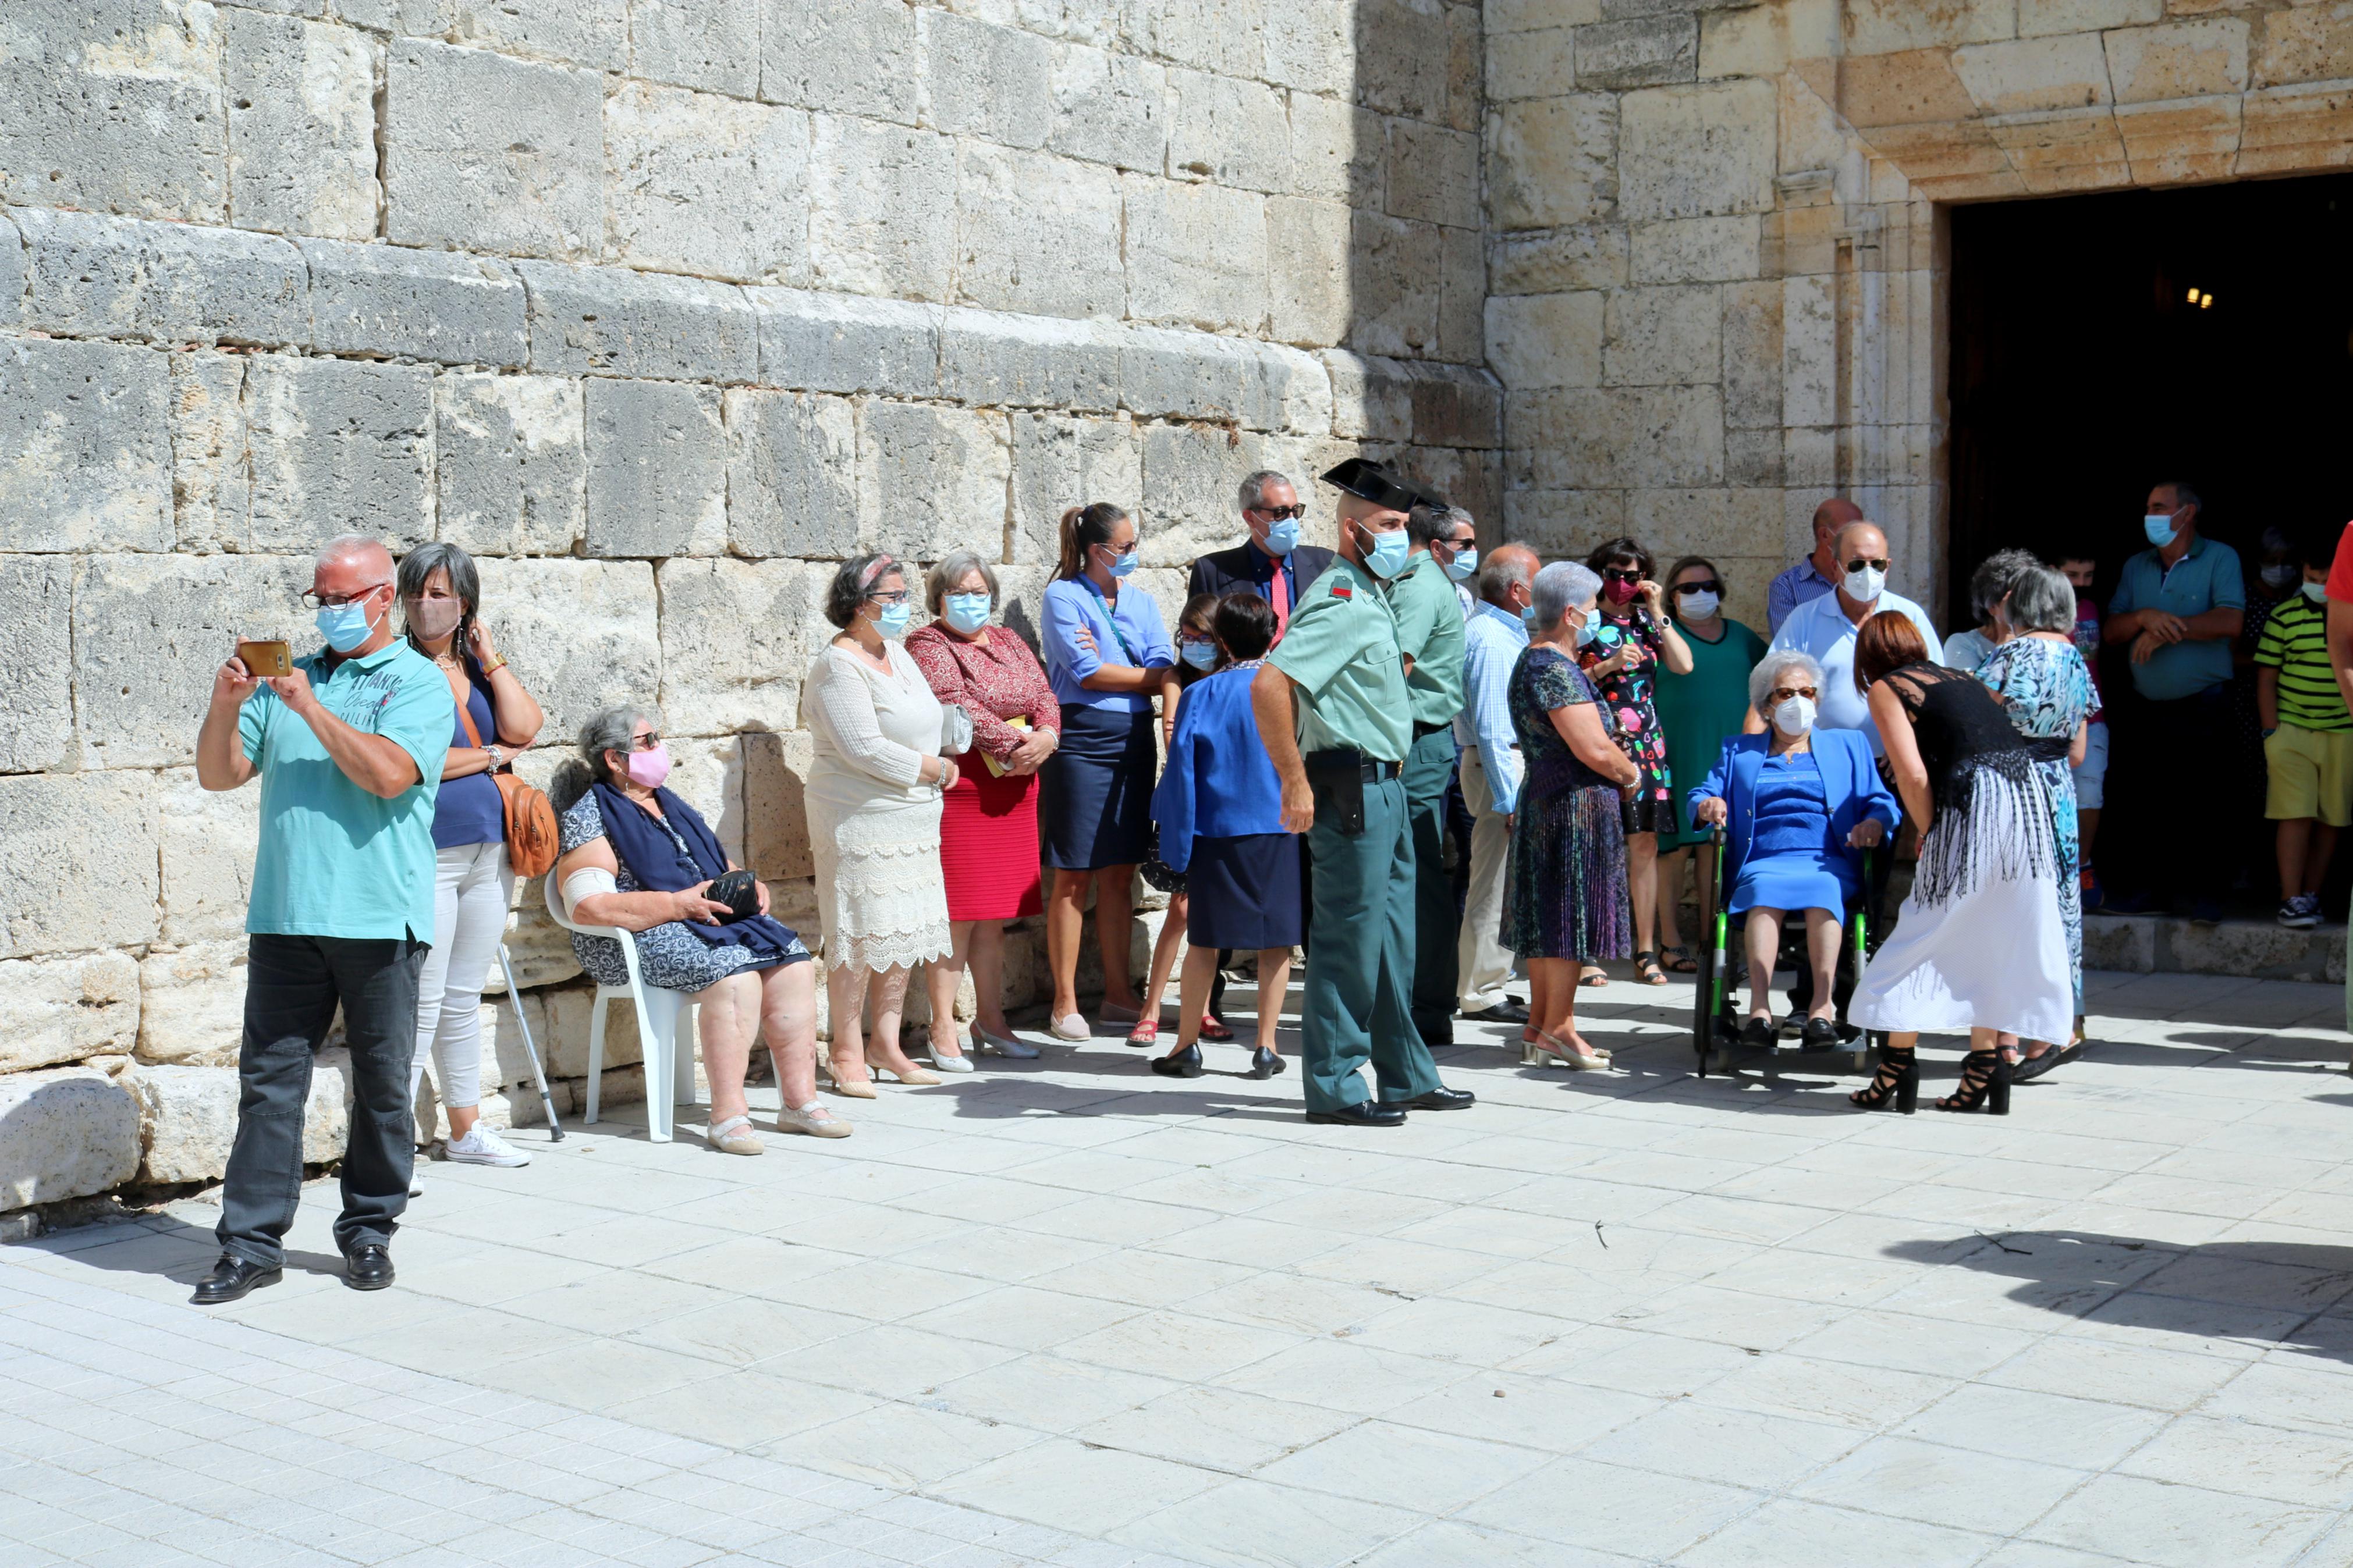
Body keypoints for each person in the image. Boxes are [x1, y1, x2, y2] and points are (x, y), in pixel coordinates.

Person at [190, 535, 457, 1304]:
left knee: (379, 1086)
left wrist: (308, 709)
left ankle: (369, 1228)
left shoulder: (418, 683)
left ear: (386, 597)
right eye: (321, 598)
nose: (331, 611)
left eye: (344, 597)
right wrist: (226, 704)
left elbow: (388, 774)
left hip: (378, 916)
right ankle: (250, 1242)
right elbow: (218, 774)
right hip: (286, 912)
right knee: (269, 1085)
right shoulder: (289, 677)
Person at [1252, 457, 1472, 1126]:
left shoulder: (1376, 593)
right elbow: (1270, 685)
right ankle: (1336, 1083)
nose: (1399, 539)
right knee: (1349, 941)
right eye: (1386, 525)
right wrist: (1293, 780)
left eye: (1405, 526)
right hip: (1349, 783)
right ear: (1351, 531)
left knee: (1391, 941)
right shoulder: (1342, 598)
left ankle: (1404, 1073)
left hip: (1390, 784)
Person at [554, 706, 841, 1150]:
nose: (659, 748)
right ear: (614, 759)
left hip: (702, 919)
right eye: (648, 741)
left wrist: (747, 883)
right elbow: (589, 907)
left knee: (796, 964)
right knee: (736, 974)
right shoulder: (591, 815)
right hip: (637, 935)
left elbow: (707, 863)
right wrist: (676, 904)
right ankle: (727, 1115)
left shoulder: (669, 801)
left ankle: (799, 1103)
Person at [1848, 612, 2072, 1115]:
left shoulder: (1889, 687)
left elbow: (1910, 774)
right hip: (2025, 796)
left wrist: (1928, 832)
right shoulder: (1962, 678)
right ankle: (1986, 1065)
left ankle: (1897, 1064)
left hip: (1976, 798)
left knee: (1919, 931)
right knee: (1997, 930)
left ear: (1868, 657)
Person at [396, 542, 545, 1174]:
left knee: (462, 996)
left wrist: (492, 656)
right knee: (421, 1000)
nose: (427, 605)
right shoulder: (393, 668)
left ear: (466, 603)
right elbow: (411, 766)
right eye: (417, 593)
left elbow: (526, 725)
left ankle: (466, 1128)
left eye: (441, 594)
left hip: (492, 849)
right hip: (429, 851)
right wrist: (490, 758)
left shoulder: (476, 667)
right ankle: (389, 1145)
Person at [801, 553, 956, 1094]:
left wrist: (935, 763)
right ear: (856, 605)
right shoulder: (836, 665)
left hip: (913, 813)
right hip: (860, 812)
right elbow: (862, 748)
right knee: (858, 930)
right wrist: (933, 769)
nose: (900, 606)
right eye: (889, 598)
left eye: (901, 595)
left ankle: (885, 1042)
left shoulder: (895, 652)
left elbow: (924, 715)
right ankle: (845, 1049)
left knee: (901, 927)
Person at [1689, 650, 1898, 1048]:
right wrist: (1706, 805)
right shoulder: (1739, 750)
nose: (1798, 701)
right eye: (1785, 693)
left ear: (1818, 700)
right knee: (1762, 894)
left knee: (1824, 890)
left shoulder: (1849, 745)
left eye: (1807, 691)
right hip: (1763, 860)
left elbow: (1881, 801)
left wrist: (1874, 821)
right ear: (1766, 704)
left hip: (1826, 860)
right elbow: (1703, 790)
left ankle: (1821, 1009)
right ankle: (1759, 1011)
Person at [904, 551, 1057, 1066]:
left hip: (1016, 786)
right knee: (960, 915)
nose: (972, 601)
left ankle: (991, 1018)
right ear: (938, 598)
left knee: (994, 916)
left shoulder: (1009, 640)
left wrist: (1048, 737)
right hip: (969, 785)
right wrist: (1015, 747)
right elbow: (956, 704)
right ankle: (942, 1025)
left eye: (979, 591)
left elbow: (1043, 692)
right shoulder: (928, 643)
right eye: (959, 593)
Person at [1149, 592, 1301, 1080]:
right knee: (1275, 943)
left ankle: (1186, 1044)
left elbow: (1182, 772)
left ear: (1221, 640)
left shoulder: (1199, 693)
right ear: (1272, 634)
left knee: (1204, 942)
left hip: (1215, 830)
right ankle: (1266, 1046)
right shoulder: (1286, 688)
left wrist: (1175, 838)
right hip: (1276, 826)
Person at [1040, 503, 1176, 1040]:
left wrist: (1135, 673)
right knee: (1073, 873)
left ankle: (1119, 995)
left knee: (1120, 872)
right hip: (1081, 740)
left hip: (1134, 739)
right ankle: (1064, 1001)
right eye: (1124, 546)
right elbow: (1087, 672)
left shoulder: (1140, 600)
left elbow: (1169, 664)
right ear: (1097, 551)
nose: (1132, 554)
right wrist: (1146, 674)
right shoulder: (1063, 596)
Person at [1501, 562, 1642, 1070]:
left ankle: (1541, 1025)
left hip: (1552, 800)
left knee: (1549, 917)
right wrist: (1630, 775)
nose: (1597, 615)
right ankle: (1559, 1028)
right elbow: (1593, 750)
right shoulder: (1553, 667)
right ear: (1569, 613)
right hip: (1571, 806)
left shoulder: (1538, 660)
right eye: (1591, 607)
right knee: (1564, 919)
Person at [2103, 481, 2244, 921]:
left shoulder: (2220, 557)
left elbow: (2231, 619)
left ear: (2187, 514)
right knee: (2146, 803)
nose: (2150, 515)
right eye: (2148, 507)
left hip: (2203, 706)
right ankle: (2148, 893)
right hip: (2146, 707)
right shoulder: (2135, 565)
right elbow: (2110, 630)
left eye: (2159, 507)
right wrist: (2144, 617)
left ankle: (2204, 899)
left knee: (2203, 806)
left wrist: (2166, 627)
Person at [1974, 565, 2093, 1080]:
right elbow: (2079, 752)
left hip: (2010, 789)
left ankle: (2008, 1032)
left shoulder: (2009, 655)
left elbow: (1976, 724)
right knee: (2058, 905)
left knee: (2007, 907)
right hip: (2056, 793)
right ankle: (2056, 1029)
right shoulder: (2075, 659)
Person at [1575, 537, 1692, 989]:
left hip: (1646, 745)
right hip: (1598, 743)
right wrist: (1606, 668)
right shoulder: (1583, 619)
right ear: (1598, 573)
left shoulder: (1646, 622)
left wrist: (1659, 609)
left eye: (1633, 576)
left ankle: (1646, 948)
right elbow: (1559, 676)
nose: (1623, 584)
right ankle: (1588, 950)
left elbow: (1683, 664)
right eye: (1614, 574)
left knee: (1643, 846)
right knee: (1596, 845)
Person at [1653, 557, 1766, 977]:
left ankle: (1709, 941)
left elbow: (1769, 685)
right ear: (1671, 595)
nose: (1698, 594)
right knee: (1672, 851)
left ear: (1719, 589)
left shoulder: (1741, 637)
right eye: (1686, 588)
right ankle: (1669, 940)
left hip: (1724, 759)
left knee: (1712, 850)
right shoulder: (1662, 635)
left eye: (1706, 585)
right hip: (1674, 754)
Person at [1133, 593, 1232, 1051]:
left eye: (1201, 637)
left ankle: (1202, 1007)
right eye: (1185, 636)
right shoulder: (1178, 677)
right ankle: (1151, 1008)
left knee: (1210, 914)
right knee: (1180, 910)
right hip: (1189, 804)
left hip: (1226, 806)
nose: (1191, 644)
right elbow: (1172, 732)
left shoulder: (1237, 677)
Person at [1393, 503, 1474, 1042]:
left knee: (1415, 876)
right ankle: (1423, 1003)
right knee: (1415, 873)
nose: (1471, 554)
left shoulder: (1421, 584)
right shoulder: (1422, 580)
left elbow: (1394, 666)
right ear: (1438, 541)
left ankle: (1425, 1007)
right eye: (1466, 543)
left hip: (1414, 739)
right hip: (1418, 736)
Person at [1767, 519, 1944, 755]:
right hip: (1825, 759)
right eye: (1857, 564)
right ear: (1835, 566)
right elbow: (1774, 685)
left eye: (1877, 564)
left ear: (1888, 567)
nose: (1868, 572)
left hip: (1896, 761)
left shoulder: (1910, 616)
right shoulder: (1805, 619)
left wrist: (1912, 750)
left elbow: (1936, 689)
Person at [1454, 544, 1539, 1025]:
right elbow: (1489, 726)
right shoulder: (1488, 639)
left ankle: (1488, 979)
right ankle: (1481, 990)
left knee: (1503, 881)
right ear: (1516, 590)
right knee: (1492, 882)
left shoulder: (1502, 632)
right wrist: (1507, 794)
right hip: (1498, 765)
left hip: (1502, 763)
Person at [2255, 529, 2349, 930]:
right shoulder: (2283, 616)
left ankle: (2311, 893)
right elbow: (2266, 676)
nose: (2317, 587)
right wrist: (2271, 732)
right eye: (2311, 579)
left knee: (2332, 817)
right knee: (2294, 814)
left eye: (2325, 581)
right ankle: (2290, 898)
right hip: (2290, 731)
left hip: (2343, 732)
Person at [1188, 470, 1334, 642]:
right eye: (1280, 513)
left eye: (1295, 511)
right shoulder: (1212, 571)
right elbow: (1195, 638)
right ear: (1250, 518)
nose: (1291, 520)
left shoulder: (1324, 563)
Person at [2056, 547, 2109, 910]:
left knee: (2090, 797)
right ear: (2053, 572)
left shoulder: (2091, 608)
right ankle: (2055, 872)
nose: (2080, 584)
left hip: (2093, 718)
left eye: (2088, 576)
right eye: (2073, 575)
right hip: (2050, 720)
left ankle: (2082, 865)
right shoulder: (2037, 611)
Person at [1766, 496, 1864, 637]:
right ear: (1825, 535)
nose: (1859, 539)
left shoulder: (1865, 576)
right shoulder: (1787, 586)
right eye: (1851, 531)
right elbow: (1788, 648)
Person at [1943, 548, 2042, 673]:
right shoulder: (1963, 644)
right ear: (1992, 607)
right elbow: (1971, 690)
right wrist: (2006, 638)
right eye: (2019, 599)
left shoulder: (2042, 643)